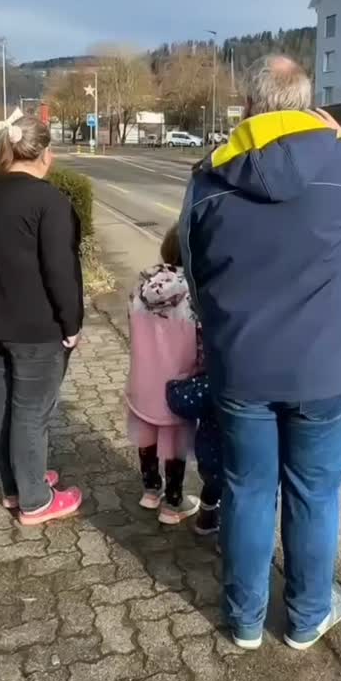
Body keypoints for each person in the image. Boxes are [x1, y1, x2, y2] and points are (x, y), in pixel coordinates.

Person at [180, 55, 341, 651]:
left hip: (242, 369)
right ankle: (307, 618)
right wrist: (337, 133)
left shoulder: (208, 178)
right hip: (327, 371)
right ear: (307, 103)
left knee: (248, 490)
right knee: (314, 493)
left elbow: (194, 270)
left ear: (250, 106)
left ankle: (245, 621)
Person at [0, 116, 84, 526]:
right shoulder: (47, 201)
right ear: (45, 154)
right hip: (37, 328)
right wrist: (71, 324)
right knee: (32, 412)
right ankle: (35, 500)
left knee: (4, 404)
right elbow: (61, 271)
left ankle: (15, 485)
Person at [126, 225, 200, 526]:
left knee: (146, 435)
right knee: (175, 443)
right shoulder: (194, 292)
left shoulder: (142, 284)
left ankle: (150, 490)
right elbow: (203, 340)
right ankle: (173, 504)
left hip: (142, 378)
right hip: (177, 382)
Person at [166, 372, 223, 536]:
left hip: (210, 458)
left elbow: (181, 400)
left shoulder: (215, 379)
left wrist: (172, 385)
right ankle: (226, 541)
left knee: (212, 489)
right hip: (240, 464)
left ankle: (206, 521)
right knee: (234, 500)